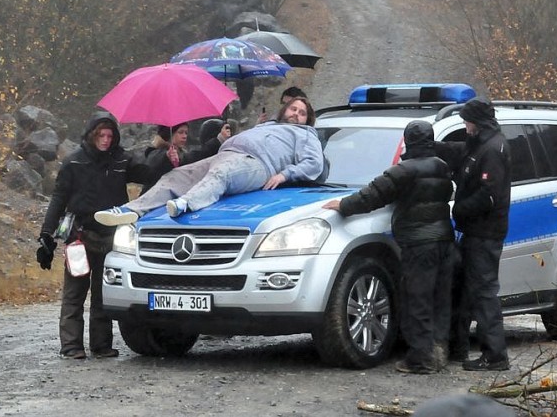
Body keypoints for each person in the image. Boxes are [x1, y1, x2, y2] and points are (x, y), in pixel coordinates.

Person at [323, 120, 454, 374]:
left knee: (418, 300)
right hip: (444, 240)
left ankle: (420, 359)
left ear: (408, 140)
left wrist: (343, 206)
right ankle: (438, 352)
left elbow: (371, 195)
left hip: (418, 243)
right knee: (439, 299)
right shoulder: (442, 166)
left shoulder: (402, 171)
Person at [36, 112, 156, 360]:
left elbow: (149, 174)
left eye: (110, 135)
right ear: (92, 135)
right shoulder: (73, 163)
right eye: (101, 135)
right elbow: (58, 200)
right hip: (79, 237)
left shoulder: (122, 161)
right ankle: (71, 346)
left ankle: (101, 345)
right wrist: (46, 235)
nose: (106, 140)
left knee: (103, 294)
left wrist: (162, 150)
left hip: (111, 239)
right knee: (74, 294)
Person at [95, 97, 324, 224]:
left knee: (221, 174)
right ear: (284, 110)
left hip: (257, 164)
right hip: (225, 154)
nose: (295, 113)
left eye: (301, 112)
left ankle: (186, 203)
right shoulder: (267, 126)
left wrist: (285, 174)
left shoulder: (305, 134)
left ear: (307, 119)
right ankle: (131, 210)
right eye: (293, 108)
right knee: (175, 175)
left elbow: (314, 163)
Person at [434, 97, 511, 371]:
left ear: (476, 122)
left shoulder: (493, 149)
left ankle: (495, 355)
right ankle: (462, 347)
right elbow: (461, 152)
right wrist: (429, 147)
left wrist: (458, 210)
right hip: (476, 231)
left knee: (484, 292)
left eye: (467, 121)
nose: (465, 126)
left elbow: (489, 196)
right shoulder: (481, 143)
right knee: (468, 291)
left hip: (485, 232)